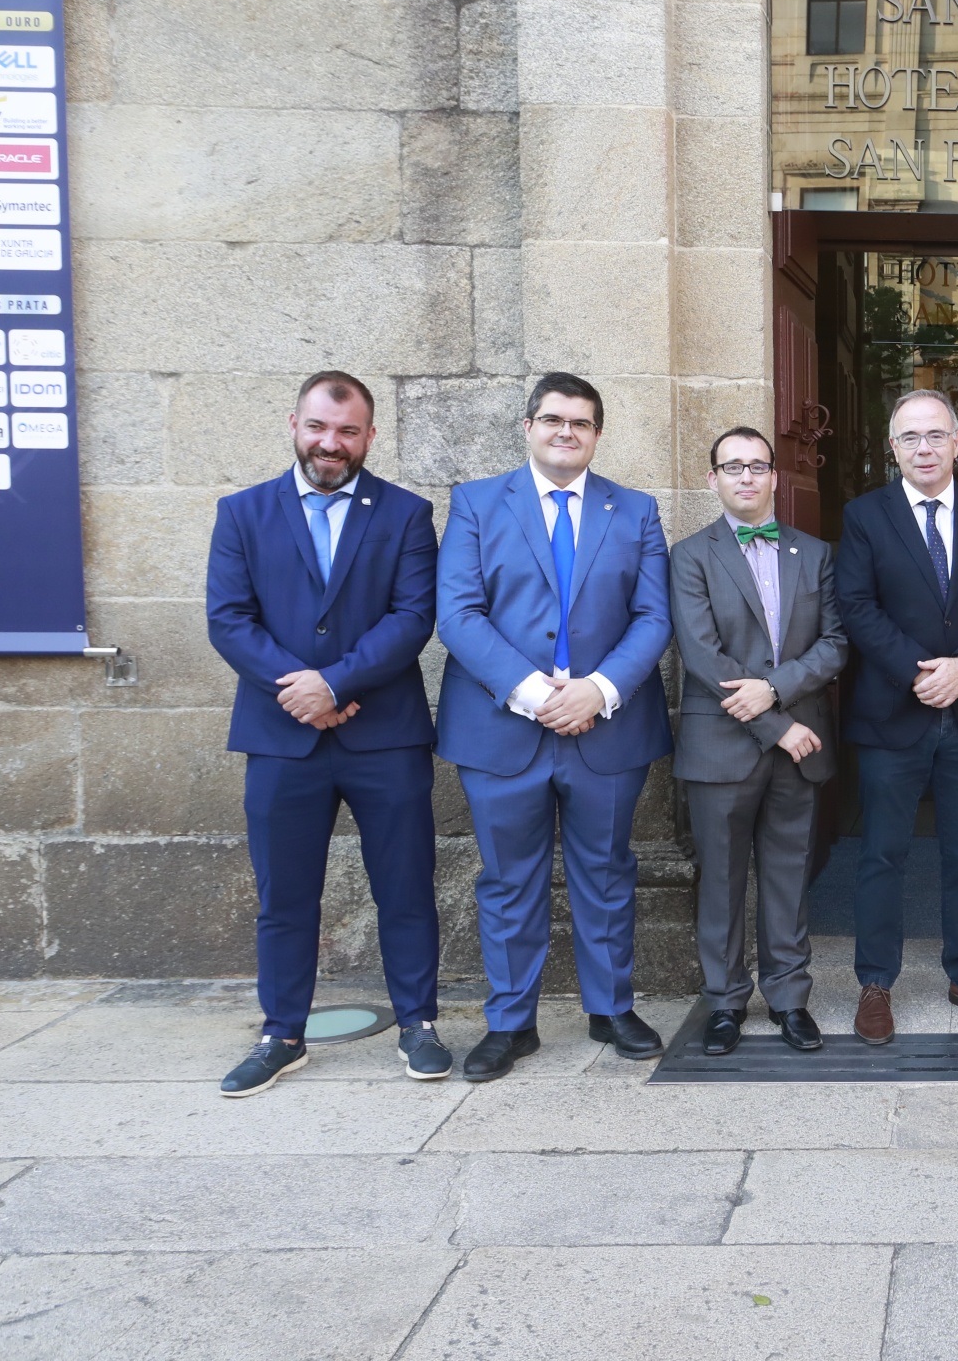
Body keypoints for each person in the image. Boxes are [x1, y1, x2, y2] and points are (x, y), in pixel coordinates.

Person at [206, 372, 444, 1095]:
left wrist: (336, 685)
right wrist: (302, 691)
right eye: (317, 427)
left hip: (385, 737)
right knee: (284, 897)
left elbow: (413, 616)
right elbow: (229, 619)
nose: (330, 443)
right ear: (294, 425)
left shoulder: (406, 514)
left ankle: (419, 1025)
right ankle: (281, 1034)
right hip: (282, 737)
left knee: (406, 889)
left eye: (347, 431)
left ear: (369, 436)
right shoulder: (242, 513)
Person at [436, 373, 674, 1081]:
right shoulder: (477, 503)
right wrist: (537, 693)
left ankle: (611, 1008)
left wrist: (598, 691)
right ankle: (511, 1022)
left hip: (607, 729)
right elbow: (458, 614)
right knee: (509, 882)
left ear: (597, 434)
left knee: (607, 873)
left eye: (581, 423)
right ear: (528, 426)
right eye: (553, 419)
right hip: (502, 728)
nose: (566, 432)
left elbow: (652, 617)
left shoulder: (636, 511)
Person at [835, 390, 958, 1044]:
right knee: (882, 857)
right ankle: (875, 982)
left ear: (957, 444)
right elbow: (856, 606)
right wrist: (918, 671)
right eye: (910, 437)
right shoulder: (865, 516)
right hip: (893, 713)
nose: (924, 448)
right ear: (893, 448)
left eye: (935, 435)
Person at [670, 426, 848, 1056]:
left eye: (757, 466)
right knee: (720, 881)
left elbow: (835, 642)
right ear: (712, 478)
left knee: (788, 876)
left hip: (799, 747)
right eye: (732, 466)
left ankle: (789, 998)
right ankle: (724, 1003)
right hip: (724, 745)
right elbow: (700, 654)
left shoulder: (815, 553)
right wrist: (777, 723)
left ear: (775, 476)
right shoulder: (690, 555)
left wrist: (774, 691)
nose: (746, 476)